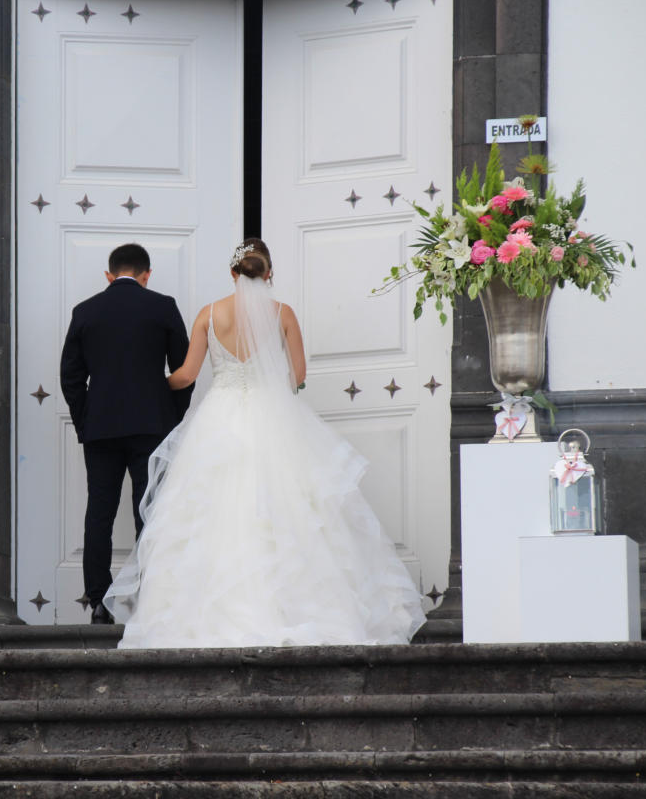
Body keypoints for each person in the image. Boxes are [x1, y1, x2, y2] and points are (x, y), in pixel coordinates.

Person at [103, 238, 426, 647]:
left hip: (218, 418)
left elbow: (185, 375)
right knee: (291, 511)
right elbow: (298, 375)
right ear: (269, 274)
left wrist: (149, 385)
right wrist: (270, 383)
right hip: (272, 417)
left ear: (233, 274)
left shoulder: (209, 313)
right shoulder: (283, 314)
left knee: (207, 509)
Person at [60, 243, 193, 624]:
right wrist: (171, 416)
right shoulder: (162, 307)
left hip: (101, 429)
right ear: (146, 275)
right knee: (149, 510)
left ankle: (99, 604)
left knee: (98, 512)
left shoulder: (85, 311)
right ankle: (149, 597)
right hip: (152, 426)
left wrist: (85, 420)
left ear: (109, 274)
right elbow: (183, 371)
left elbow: (71, 376)